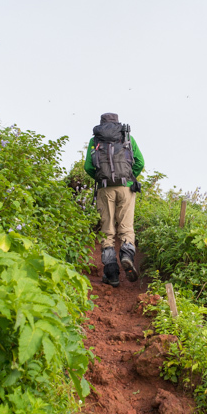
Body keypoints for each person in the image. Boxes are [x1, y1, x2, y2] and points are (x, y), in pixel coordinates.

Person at [84, 112, 145, 286]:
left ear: (101, 123)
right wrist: (128, 177)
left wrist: (100, 179)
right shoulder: (126, 137)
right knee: (126, 227)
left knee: (107, 230)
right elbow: (140, 161)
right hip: (126, 188)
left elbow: (88, 166)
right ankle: (126, 256)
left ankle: (112, 275)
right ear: (117, 122)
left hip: (105, 189)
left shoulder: (95, 140)